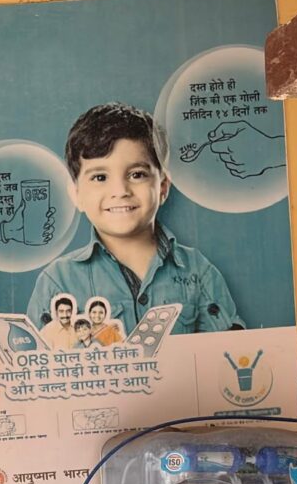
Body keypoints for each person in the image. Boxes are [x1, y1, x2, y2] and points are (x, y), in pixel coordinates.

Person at [27, 103, 245, 337]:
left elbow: (230, 351)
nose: (120, 191)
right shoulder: (57, 280)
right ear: (76, 194)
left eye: (137, 175)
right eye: (100, 177)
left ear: (163, 187)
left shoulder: (198, 270)